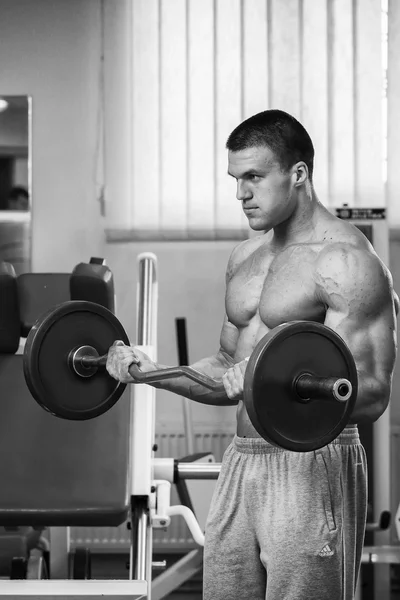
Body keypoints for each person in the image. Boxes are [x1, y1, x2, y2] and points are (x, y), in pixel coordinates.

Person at [106, 109, 398, 599]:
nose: (241, 193)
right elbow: (225, 369)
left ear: (298, 174)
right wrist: (152, 372)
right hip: (242, 460)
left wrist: (269, 383)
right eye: (236, 179)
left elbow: (369, 393)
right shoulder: (246, 258)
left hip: (313, 462)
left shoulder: (346, 262)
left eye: (255, 177)